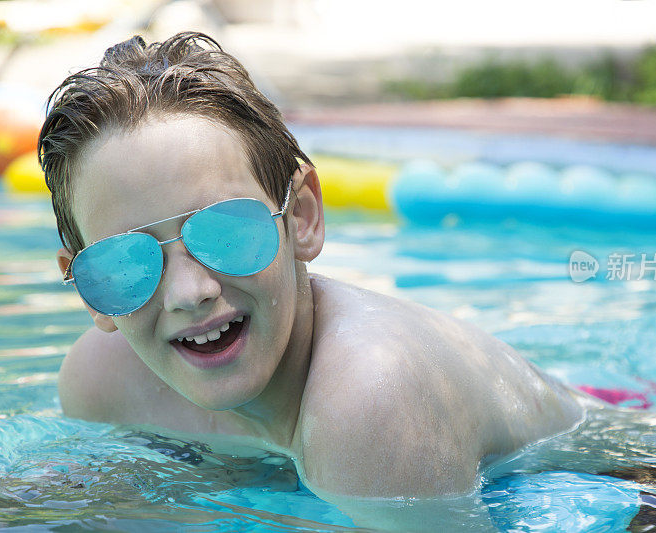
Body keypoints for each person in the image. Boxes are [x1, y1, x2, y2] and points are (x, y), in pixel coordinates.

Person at [40, 31, 587, 528]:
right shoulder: (103, 388)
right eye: (125, 264)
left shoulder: (372, 397)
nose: (191, 292)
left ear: (300, 216)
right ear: (87, 287)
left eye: (226, 232)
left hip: (615, 477)